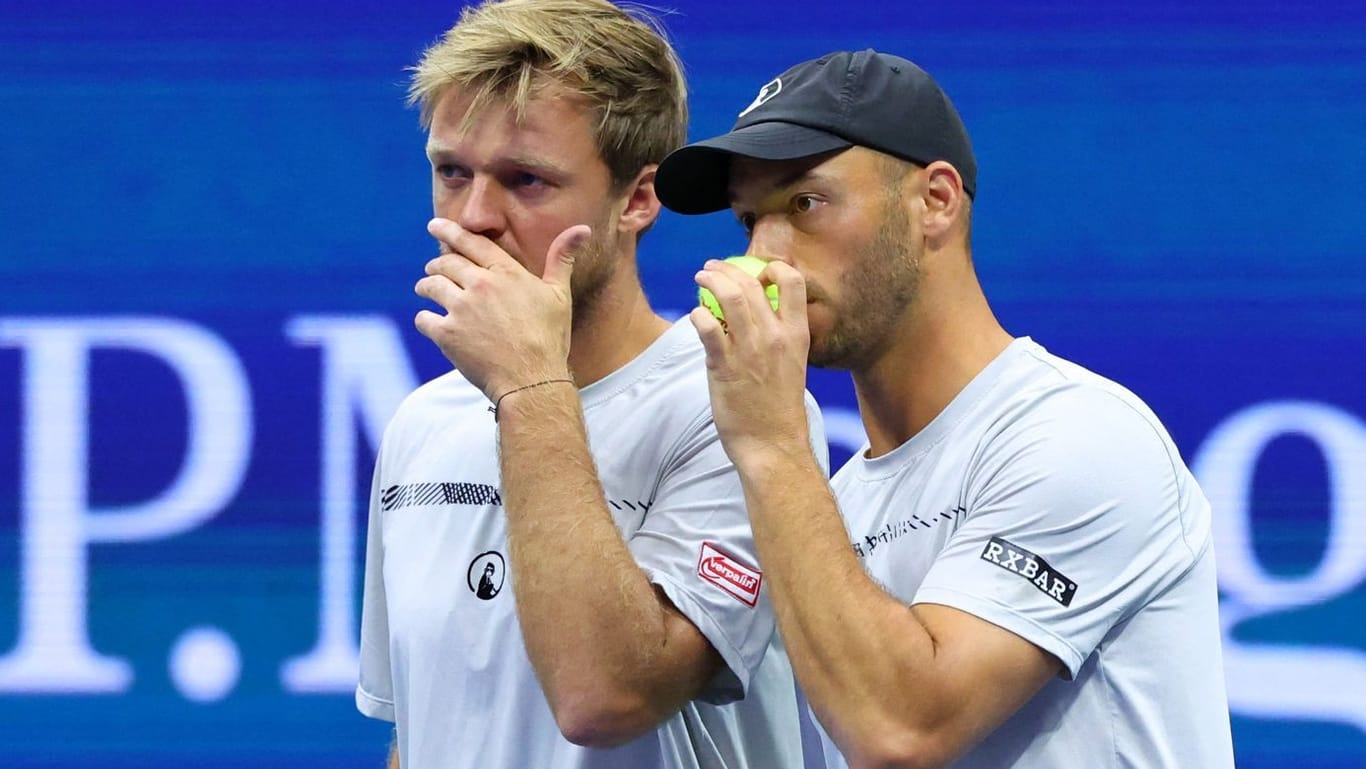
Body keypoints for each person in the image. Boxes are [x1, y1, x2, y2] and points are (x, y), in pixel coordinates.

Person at [653, 49, 1236, 769]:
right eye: (749, 222)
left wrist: (771, 443)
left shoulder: (1081, 435)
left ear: (935, 201)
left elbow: (902, 728)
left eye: (805, 203)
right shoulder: (829, 509)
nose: (769, 258)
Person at [355, 2, 827, 768]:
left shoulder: (731, 408)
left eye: (526, 180)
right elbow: (421, 731)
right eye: (451, 172)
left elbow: (606, 697)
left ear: (638, 200)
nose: (476, 217)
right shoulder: (422, 422)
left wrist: (529, 384)